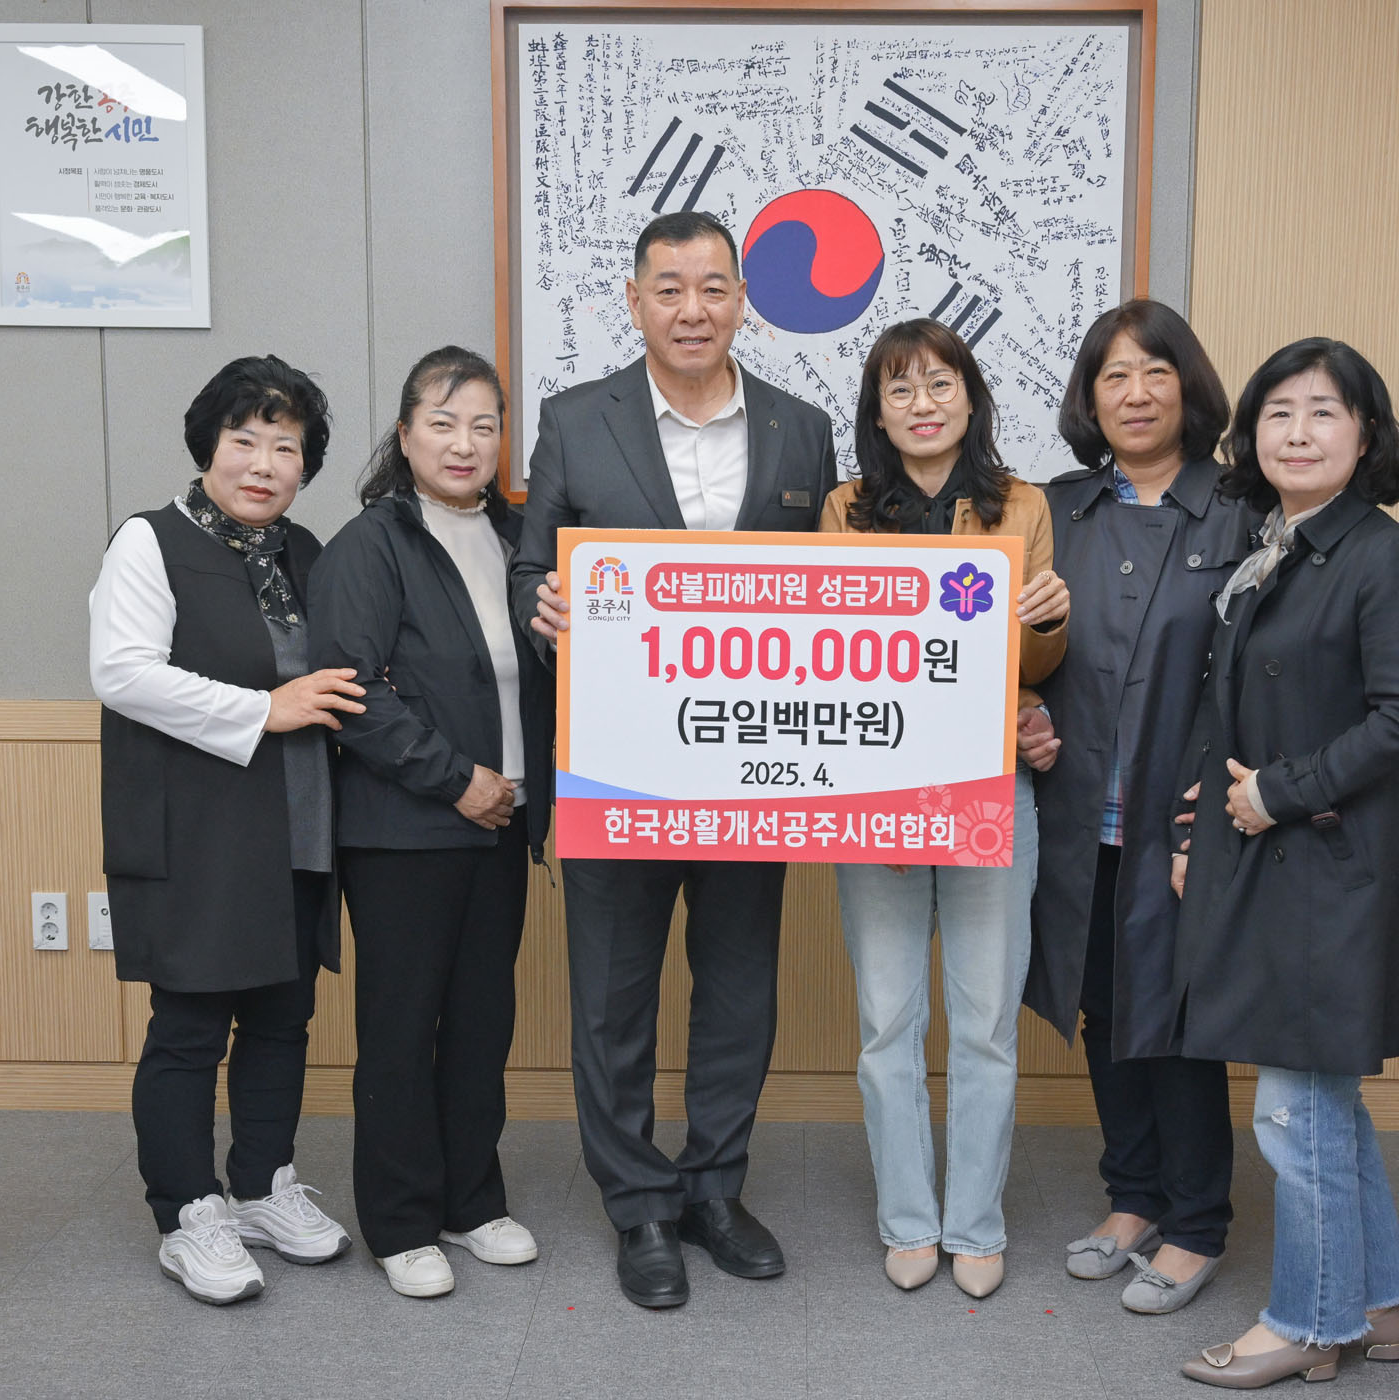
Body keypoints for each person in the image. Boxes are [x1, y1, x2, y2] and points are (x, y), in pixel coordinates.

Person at [509, 210, 838, 1309]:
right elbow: (529, 573)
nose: (691, 309)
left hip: (753, 771)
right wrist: (545, 607)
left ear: (743, 299)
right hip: (616, 767)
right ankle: (640, 1202)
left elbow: (840, 586)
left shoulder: (802, 429)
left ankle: (714, 1188)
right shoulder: (575, 419)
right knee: (613, 995)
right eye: (669, 289)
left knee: (739, 989)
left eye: (712, 288)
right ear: (635, 300)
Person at [1168, 339, 1399, 1388]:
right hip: (1269, 855)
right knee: (1323, 1097)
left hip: (1332, 867)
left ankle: (1307, 1322)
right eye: (1277, 412)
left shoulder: (1387, 557)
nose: (1297, 431)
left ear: (1366, 435)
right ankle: (1375, 1297)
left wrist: (1277, 792)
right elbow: (1234, 704)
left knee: (1295, 1107)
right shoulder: (1273, 548)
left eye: (1324, 411)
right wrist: (1199, 821)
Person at [90, 354, 363, 1305]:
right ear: (208, 444)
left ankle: (261, 1187)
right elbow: (123, 672)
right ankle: (186, 1213)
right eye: (244, 439)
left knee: (283, 1019)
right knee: (191, 1027)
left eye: (285, 447)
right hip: (197, 830)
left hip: (297, 821)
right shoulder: (150, 540)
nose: (263, 463)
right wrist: (265, 709)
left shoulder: (305, 552)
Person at [818, 318, 1070, 1298]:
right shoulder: (845, 509)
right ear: (876, 412)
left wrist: (1047, 622)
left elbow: (1036, 665)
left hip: (990, 782)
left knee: (985, 1019)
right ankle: (908, 1218)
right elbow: (828, 652)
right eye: (900, 389)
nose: (922, 404)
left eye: (939, 384)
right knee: (888, 1017)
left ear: (971, 397)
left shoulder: (1022, 504)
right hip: (877, 788)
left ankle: (975, 1222)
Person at [1019, 300, 1254, 1313]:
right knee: (1106, 1005)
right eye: (1114, 375)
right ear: (1091, 396)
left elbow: (1264, 671)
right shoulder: (1054, 509)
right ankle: (1133, 1197)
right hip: (1082, 811)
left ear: (1187, 386)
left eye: (1156, 371)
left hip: (1189, 815)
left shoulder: (1243, 508)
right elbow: (1011, 648)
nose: (1136, 392)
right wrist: (1022, 711)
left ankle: (1197, 1221)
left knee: (1181, 1014)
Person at [308, 347, 554, 1299]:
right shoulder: (370, 546)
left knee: (483, 1022)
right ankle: (402, 1221)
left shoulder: (520, 537)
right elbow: (352, 694)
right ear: (405, 435)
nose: (464, 443)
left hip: (503, 825)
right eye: (443, 423)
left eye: (484, 425)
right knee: (404, 1028)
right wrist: (456, 781)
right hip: (407, 830)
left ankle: (470, 1200)